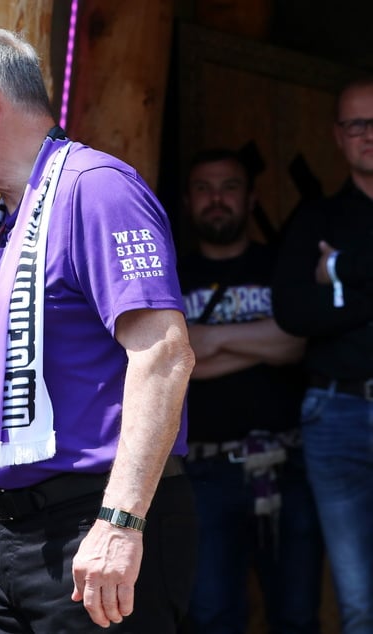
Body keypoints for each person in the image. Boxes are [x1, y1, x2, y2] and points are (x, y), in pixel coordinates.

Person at [0, 26, 198, 633]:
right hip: (11, 543)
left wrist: (121, 523)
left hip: (97, 525)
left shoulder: (95, 189)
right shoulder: (11, 221)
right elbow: (2, 409)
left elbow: (164, 356)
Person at [178, 148, 324, 633]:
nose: (216, 199)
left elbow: (298, 342)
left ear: (251, 198)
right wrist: (262, 338)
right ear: (188, 201)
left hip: (289, 466)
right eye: (203, 188)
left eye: (229, 187)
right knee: (211, 616)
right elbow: (173, 366)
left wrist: (211, 339)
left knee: (297, 616)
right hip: (203, 472)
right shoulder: (169, 274)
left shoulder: (281, 264)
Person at [272, 78, 373, 634]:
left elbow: (321, 305)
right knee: (360, 602)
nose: (368, 135)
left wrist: (340, 273)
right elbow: (293, 312)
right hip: (338, 415)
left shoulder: (331, 244)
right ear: (338, 136)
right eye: (356, 124)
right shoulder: (315, 220)